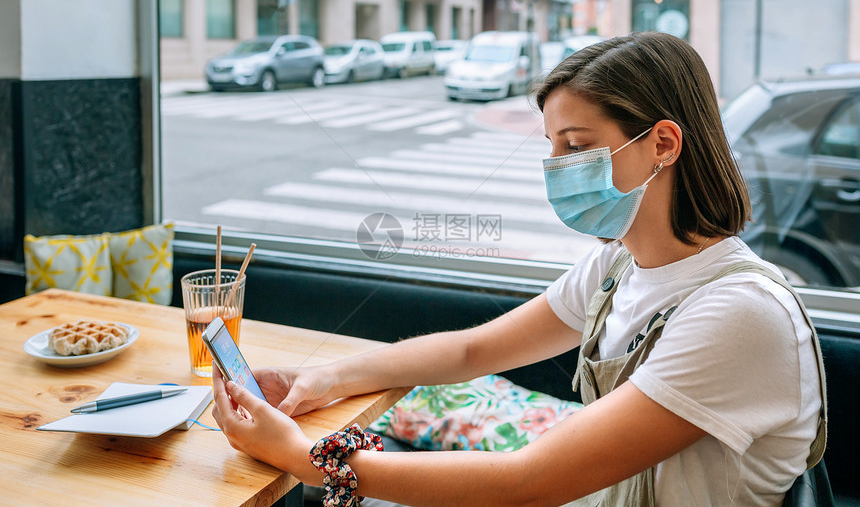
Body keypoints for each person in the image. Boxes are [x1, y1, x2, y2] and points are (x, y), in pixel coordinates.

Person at [211, 31, 826, 507]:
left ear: (663, 144)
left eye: (578, 146)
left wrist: (305, 456)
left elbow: (529, 482)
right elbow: (472, 352)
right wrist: (320, 380)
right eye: (552, 147)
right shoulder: (618, 265)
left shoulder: (739, 313)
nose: (556, 167)